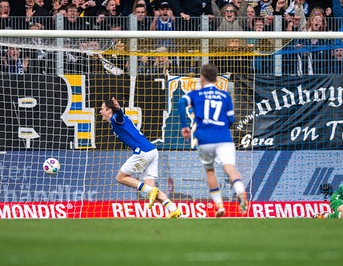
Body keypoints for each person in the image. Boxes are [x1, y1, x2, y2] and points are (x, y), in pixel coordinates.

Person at [178, 64, 248, 217]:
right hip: (224, 138)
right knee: (230, 168)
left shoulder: (196, 94)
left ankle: (220, 206)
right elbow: (231, 119)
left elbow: (181, 103)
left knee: (210, 171)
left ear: (202, 77)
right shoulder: (225, 96)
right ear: (216, 79)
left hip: (205, 138)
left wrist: (185, 126)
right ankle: (240, 191)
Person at [100, 97, 181, 218]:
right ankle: (174, 210)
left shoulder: (116, 119)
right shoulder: (117, 120)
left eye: (102, 109)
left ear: (109, 111)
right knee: (151, 190)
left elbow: (119, 115)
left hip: (143, 152)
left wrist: (119, 108)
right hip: (152, 151)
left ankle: (151, 192)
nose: (100, 111)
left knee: (120, 177)